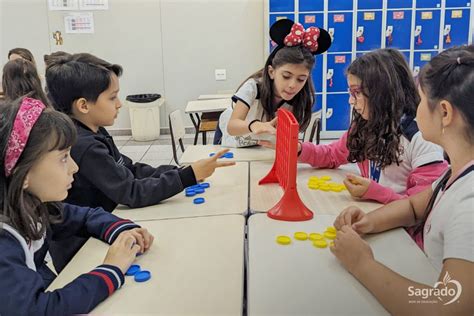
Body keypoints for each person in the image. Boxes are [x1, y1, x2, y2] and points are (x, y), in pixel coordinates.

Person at [44, 51, 235, 271]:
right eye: (112, 97)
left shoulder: (95, 132)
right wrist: (187, 176)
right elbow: (131, 192)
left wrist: (181, 171)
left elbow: (130, 168)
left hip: (104, 228)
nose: (119, 104)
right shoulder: (84, 145)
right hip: (82, 250)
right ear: (83, 106)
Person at [330, 45, 473, 315]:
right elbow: (414, 207)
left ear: (444, 113)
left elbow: (448, 306)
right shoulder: (455, 172)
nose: (413, 109)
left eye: (419, 100)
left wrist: (363, 264)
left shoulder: (470, 201)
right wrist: (368, 221)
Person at [0, 97, 154, 315]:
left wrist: (123, 231)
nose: (74, 167)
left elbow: (85, 217)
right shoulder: (4, 241)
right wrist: (111, 269)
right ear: (22, 173)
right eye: (63, 158)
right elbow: (40, 310)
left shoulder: (33, 205)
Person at [216, 19, 331, 147]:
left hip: (261, 146)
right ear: (271, 72)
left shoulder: (300, 98)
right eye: (286, 76)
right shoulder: (253, 87)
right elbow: (232, 126)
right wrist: (255, 125)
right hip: (233, 143)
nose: (293, 85)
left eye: (301, 79)